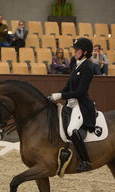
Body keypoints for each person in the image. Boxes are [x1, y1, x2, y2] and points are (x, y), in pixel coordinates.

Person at [48, 38, 96, 173]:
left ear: (85, 52)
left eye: (77, 50)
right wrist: (56, 95)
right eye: (74, 49)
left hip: (80, 105)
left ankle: (85, 161)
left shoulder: (87, 67)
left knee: (71, 130)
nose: (74, 52)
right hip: (70, 104)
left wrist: (61, 96)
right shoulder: (76, 65)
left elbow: (80, 92)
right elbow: (68, 87)